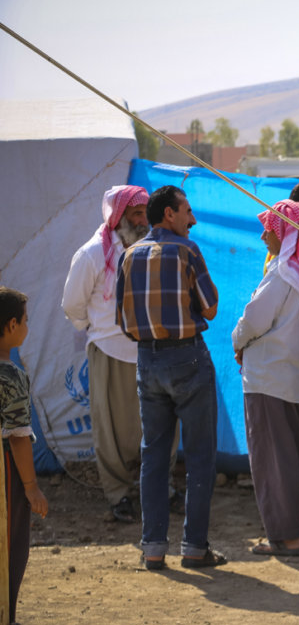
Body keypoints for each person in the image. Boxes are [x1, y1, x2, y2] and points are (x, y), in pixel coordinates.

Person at [116, 185, 226, 570]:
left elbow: (122, 320)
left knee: (154, 456)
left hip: (148, 360)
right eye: (187, 211)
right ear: (169, 214)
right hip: (187, 358)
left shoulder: (128, 255)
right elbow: (210, 308)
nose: (192, 219)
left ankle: (153, 549)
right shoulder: (186, 251)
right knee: (199, 457)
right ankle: (194, 548)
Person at [232, 199, 299, 556]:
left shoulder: (283, 272)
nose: (263, 236)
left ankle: (287, 538)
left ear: (285, 232)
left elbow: (255, 320)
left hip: (270, 378)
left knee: (274, 461)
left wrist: (237, 341)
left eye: (269, 229)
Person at [61, 185, 158, 522]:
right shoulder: (92, 254)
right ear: (117, 217)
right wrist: (97, 327)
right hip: (109, 349)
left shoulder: (152, 248)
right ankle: (119, 494)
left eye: (145, 213)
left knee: (154, 424)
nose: (143, 220)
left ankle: (158, 488)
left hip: (150, 349)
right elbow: (72, 305)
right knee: (112, 430)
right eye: (136, 214)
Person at [1, 287, 48, 625]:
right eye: (26, 321)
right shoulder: (11, 376)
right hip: (5, 476)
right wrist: (31, 488)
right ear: (11, 325)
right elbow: (18, 437)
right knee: (10, 550)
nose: (27, 328)